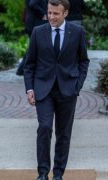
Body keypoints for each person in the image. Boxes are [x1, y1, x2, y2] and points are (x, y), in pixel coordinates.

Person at [23, 0, 89, 180]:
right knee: (44, 128)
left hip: (68, 90)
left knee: (63, 133)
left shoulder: (77, 32)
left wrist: (78, 85)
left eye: (55, 13)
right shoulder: (38, 32)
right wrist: (30, 88)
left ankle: (58, 173)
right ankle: (43, 172)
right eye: (49, 12)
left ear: (65, 13)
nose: (51, 17)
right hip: (43, 89)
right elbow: (29, 64)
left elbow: (83, 61)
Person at [16, 0, 48, 76]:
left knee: (35, 46)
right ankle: (22, 68)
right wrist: (42, 13)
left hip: (33, 22)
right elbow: (32, 4)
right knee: (34, 47)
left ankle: (24, 69)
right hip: (36, 22)